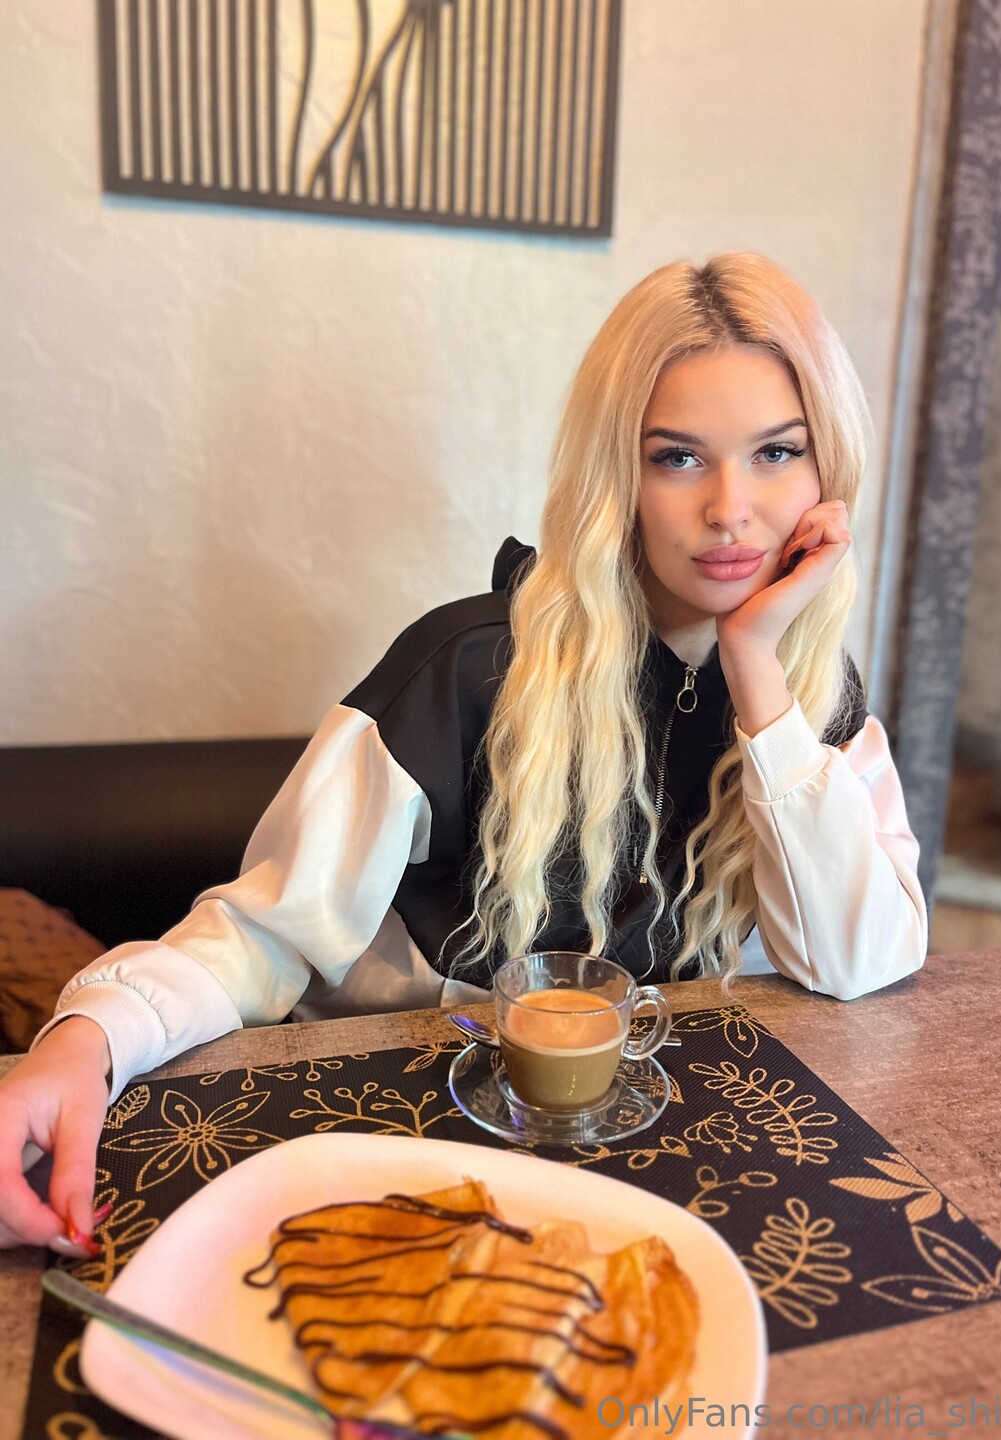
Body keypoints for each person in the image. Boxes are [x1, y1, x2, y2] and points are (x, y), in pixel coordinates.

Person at [0, 252, 927, 1255]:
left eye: (778, 452)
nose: (731, 509)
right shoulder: (465, 667)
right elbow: (258, 936)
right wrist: (84, 1042)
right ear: (616, 474)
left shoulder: (812, 699)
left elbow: (859, 965)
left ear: (829, 469)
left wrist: (757, 674)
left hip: (642, 1159)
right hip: (399, 1130)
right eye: (678, 458)